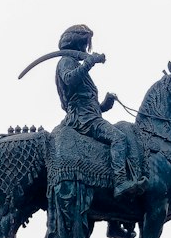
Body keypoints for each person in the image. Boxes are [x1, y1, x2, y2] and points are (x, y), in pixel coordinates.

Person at [54, 24, 141, 198]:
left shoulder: (72, 62)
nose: (86, 46)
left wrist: (105, 105)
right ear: (77, 42)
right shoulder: (66, 61)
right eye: (85, 42)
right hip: (83, 119)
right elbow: (69, 79)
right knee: (119, 137)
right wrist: (89, 62)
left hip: (88, 116)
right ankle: (120, 181)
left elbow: (89, 105)